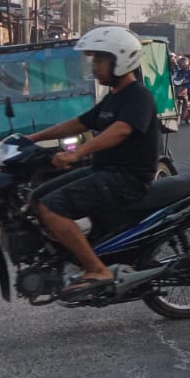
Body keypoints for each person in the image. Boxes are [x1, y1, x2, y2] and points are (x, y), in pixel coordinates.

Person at [24, 27, 160, 299]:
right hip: (104, 171)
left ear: (120, 60)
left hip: (126, 179)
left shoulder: (139, 97)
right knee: (37, 198)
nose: (94, 67)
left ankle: (96, 269)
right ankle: (71, 255)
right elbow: (80, 122)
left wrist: (77, 152)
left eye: (99, 60)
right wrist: (30, 138)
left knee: (52, 209)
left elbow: (121, 129)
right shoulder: (113, 97)